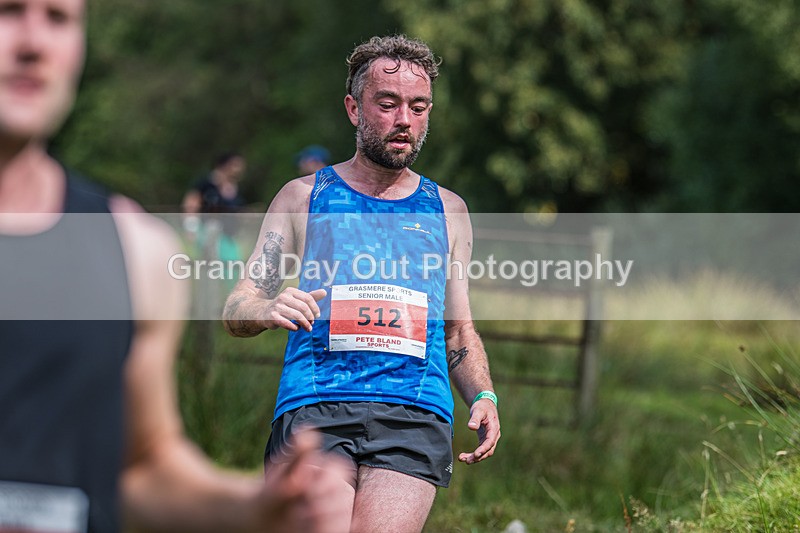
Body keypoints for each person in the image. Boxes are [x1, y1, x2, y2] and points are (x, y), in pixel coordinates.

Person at [0, 1, 352, 532]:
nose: (33, 43)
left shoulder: (136, 251)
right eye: (8, 11)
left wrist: (255, 508)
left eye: (58, 18)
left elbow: (142, 470)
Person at [223, 35, 501, 532]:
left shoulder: (449, 211)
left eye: (418, 107)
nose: (404, 120)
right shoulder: (303, 196)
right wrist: (265, 310)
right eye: (388, 103)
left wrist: (483, 396)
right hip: (316, 404)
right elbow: (239, 305)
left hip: (414, 412)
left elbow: (458, 330)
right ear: (354, 108)